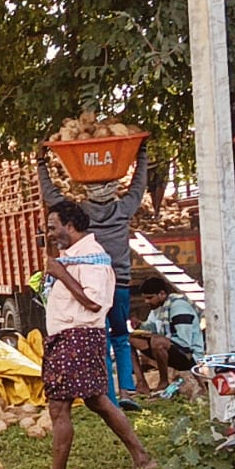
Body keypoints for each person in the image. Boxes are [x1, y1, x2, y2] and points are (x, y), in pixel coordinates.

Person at [38, 201, 157, 469]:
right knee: (97, 400)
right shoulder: (74, 256)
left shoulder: (92, 257)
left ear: (71, 225)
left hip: (77, 336)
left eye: (54, 228)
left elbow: (93, 302)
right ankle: (142, 458)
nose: (51, 234)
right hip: (69, 336)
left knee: (59, 406)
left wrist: (60, 273)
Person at [39, 142, 149, 409]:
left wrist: (41, 164)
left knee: (99, 341)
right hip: (119, 283)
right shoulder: (123, 209)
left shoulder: (79, 214)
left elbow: (51, 195)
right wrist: (141, 154)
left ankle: (108, 397)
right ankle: (127, 392)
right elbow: (138, 186)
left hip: (87, 282)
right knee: (121, 338)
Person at [131, 278, 205, 395]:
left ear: (162, 294)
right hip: (171, 348)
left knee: (157, 342)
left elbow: (185, 342)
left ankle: (163, 381)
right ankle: (141, 383)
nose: (146, 301)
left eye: (150, 298)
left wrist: (160, 339)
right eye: (145, 298)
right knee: (129, 339)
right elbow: (153, 327)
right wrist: (140, 325)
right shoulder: (158, 308)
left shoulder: (179, 306)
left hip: (189, 355)